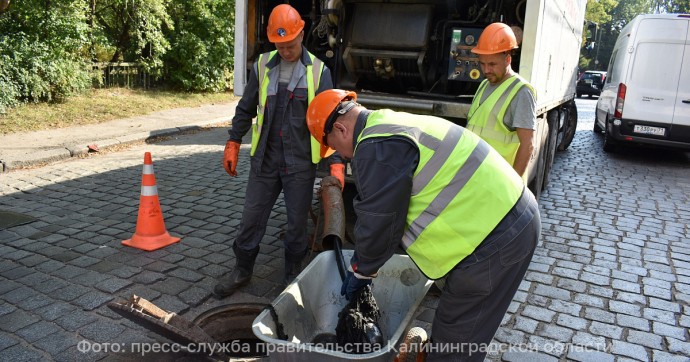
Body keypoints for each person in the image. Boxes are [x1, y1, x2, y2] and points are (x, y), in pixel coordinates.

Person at [306, 89, 541, 361]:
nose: (341, 155)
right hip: (504, 220)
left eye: (334, 146)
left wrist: (361, 271)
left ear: (340, 128)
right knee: (454, 333)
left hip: (497, 237)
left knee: (453, 348)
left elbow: (380, 221)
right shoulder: (385, 124)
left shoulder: (374, 147)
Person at [214, 4, 341, 298]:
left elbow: (331, 121)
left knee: (296, 225)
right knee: (251, 218)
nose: (286, 51)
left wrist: (335, 162)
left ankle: (292, 278)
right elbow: (246, 108)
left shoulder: (320, 71)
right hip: (265, 161)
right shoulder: (262, 65)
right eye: (280, 46)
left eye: (291, 45)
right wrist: (233, 140)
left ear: (301, 35)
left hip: (299, 163)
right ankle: (242, 271)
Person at [467, 22, 536, 178]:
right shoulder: (484, 84)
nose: (486, 70)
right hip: (476, 178)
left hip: (500, 183)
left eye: (492, 64)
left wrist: (513, 187)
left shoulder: (521, 92)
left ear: (507, 59)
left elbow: (528, 145)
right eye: (482, 64)